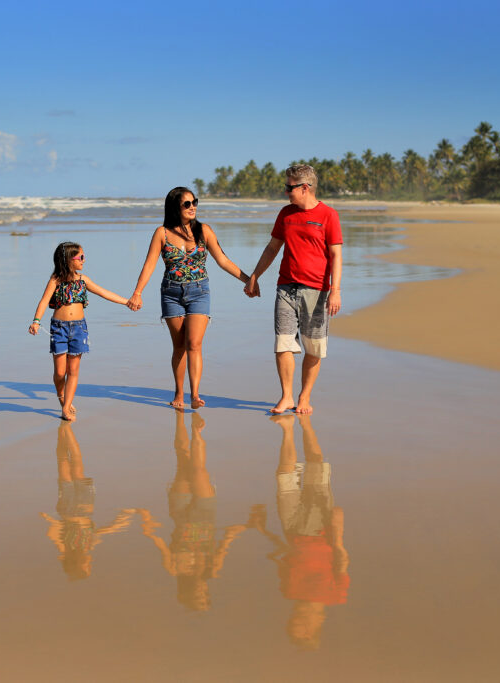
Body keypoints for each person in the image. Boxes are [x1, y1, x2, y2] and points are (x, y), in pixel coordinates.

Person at [128, 187, 250, 409]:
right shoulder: (161, 233)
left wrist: (248, 279)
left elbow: (223, 260)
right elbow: (149, 265)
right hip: (171, 293)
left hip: (199, 291)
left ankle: (195, 394)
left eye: (194, 202)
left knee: (194, 343)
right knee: (179, 347)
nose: (192, 206)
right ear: (176, 206)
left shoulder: (204, 230)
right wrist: (137, 292)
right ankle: (178, 393)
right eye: (187, 203)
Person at [245, 164, 343, 414]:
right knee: (283, 343)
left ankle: (304, 397)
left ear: (305, 187)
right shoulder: (285, 214)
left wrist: (336, 290)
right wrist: (255, 276)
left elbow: (335, 255)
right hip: (286, 287)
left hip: (317, 290)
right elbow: (272, 248)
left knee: (313, 347)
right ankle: (287, 396)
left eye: (289, 187)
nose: (286, 191)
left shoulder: (328, 215)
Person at [134, 410, 250, 611]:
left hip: (180, 511)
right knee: (198, 469)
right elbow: (225, 542)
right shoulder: (211, 570)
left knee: (182, 459)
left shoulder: (174, 568)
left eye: (198, 598)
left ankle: (181, 421)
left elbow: (160, 542)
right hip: (206, 512)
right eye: (205, 596)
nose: (202, 592)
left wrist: (148, 522)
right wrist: (246, 526)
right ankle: (197, 432)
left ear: (188, 594)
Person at [251, 414, 349, 650]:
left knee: (284, 476)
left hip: (291, 528)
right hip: (320, 528)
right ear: (312, 627)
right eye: (297, 623)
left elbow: (284, 556)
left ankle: (287, 430)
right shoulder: (335, 595)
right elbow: (341, 558)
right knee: (315, 465)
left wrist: (263, 530)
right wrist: (337, 529)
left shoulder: (288, 591)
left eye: (291, 621)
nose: (293, 617)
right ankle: (305, 425)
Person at [29, 241, 129, 420]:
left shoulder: (84, 280)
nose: (84, 260)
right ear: (68, 260)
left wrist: (127, 302)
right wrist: (36, 321)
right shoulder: (55, 280)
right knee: (60, 372)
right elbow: (44, 301)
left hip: (79, 328)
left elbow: (104, 293)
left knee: (73, 370)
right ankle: (62, 397)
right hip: (58, 328)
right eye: (80, 257)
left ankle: (66, 407)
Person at [40, 422, 134, 580]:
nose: (90, 563)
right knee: (76, 465)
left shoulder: (66, 549)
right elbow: (101, 532)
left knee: (63, 463)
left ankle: (62, 434)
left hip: (67, 508)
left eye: (87, 566)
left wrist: (50, 519)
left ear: (77, 564)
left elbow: (54, 534)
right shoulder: (88, 546)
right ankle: (67, 431)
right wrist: (119, 523)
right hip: (85, 506)